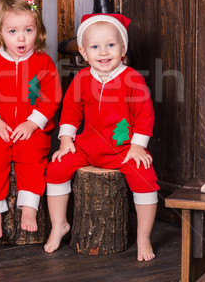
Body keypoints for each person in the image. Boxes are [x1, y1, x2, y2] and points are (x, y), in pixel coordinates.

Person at [44, 13, 159, 261]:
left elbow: (145, 115)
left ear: (123, 48)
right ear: (84, 53)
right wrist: (66, 140)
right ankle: (59, 224)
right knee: (56, 169)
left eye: (111, 45)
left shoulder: (132, 79)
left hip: (124, 149)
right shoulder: (82, 79)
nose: (103, 52)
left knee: (145, 179)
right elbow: (71, 111)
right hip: (88, 147)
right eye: (95, 47)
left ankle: (143, 236)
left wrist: (138, 147)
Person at [0, 0, 61, 238]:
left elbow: (51, 97)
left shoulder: (44, 63)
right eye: (13, 32)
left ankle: (29, 207)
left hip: (31, 130)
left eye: (28, 30)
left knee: (32, 156)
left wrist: (33, 123)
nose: (21, 38)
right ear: (0, 32)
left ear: (38, 30)